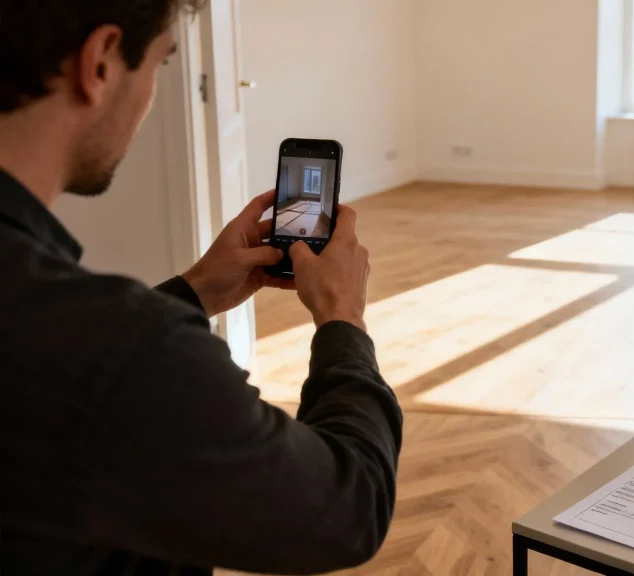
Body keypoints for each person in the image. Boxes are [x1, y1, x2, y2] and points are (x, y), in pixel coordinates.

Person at [0, 1, 403, 574]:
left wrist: (192, 292)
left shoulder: (65, 328)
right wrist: (343, 320)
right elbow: (349, 507)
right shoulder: (126, 352)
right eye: (163, 62)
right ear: (100, 63)